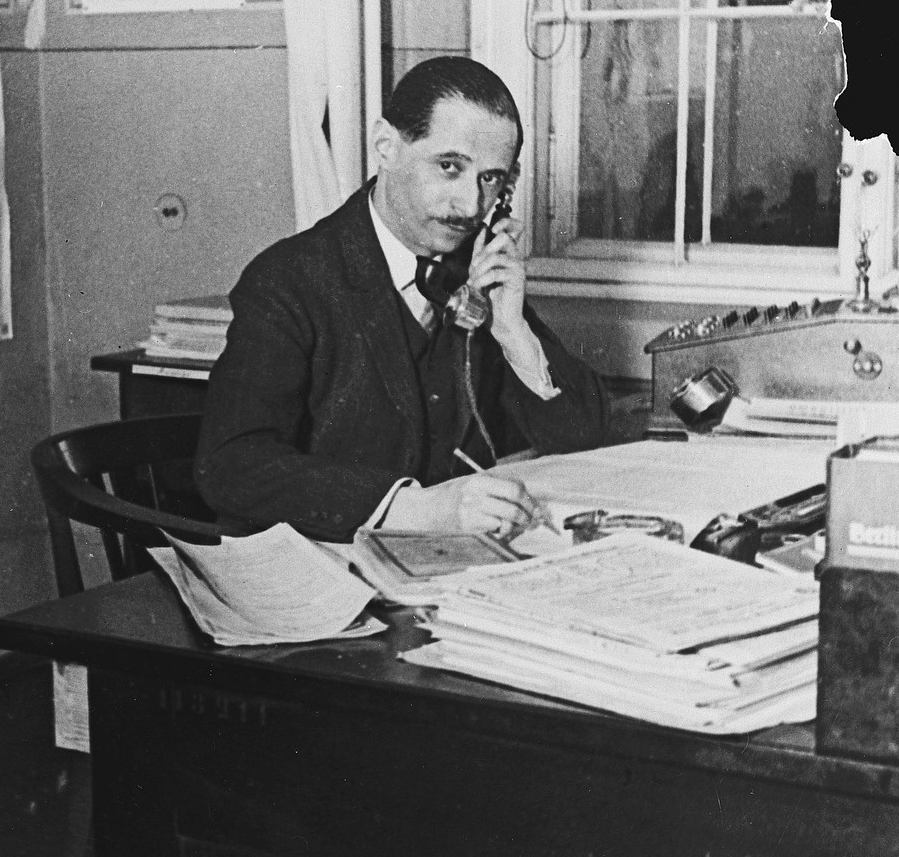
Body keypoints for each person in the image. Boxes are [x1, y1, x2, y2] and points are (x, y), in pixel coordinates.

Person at [195, 56, 611, 544]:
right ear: (386, 146)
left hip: (448, 569)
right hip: (326, 568)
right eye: (449, 166)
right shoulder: (289, 281)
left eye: (491, 178)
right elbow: (231, 465)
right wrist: (411, 507)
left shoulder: (474, 271)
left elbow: (586, 440)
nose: (471, 205)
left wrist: (514, 333)